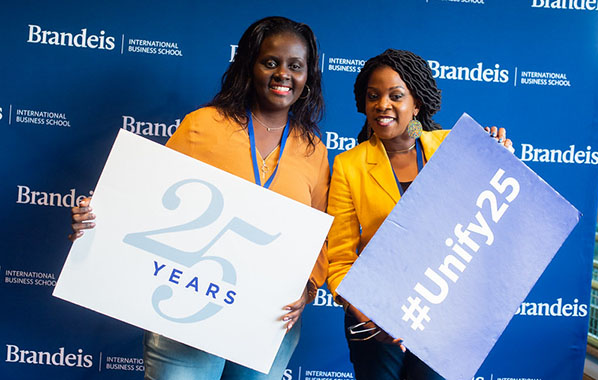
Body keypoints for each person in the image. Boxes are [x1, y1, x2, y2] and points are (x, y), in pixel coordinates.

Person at [69, 16, 330, 380]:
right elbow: (144, 201)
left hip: (268, 319)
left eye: (295, 66)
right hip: (185, 310)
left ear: (308, 77)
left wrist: (308, 286)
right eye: (270, 62)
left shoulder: (313, 150)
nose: (282, 74)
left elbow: (317, 235)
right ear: (248, 65)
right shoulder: (202, 125)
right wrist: (97, 220)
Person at [325, 49, 514, 380]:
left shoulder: (454, 147)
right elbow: (339, 260)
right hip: (374, 315)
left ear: (417, 104)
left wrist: (501, 159)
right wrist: (366, 314)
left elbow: (493, 210)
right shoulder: (349, 166)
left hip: (443, 313)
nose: (382, 104)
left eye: (396, 96)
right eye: (373, 96)